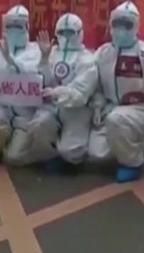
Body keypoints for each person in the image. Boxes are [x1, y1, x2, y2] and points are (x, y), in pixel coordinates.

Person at [87, 1, 144, 183]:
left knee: (116, 121)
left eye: (127, 25)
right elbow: (96, 86)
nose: (121, 30)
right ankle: (122, 143)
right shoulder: (103, 53)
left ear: (136, 27)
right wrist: (97, 107)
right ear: (110, 25)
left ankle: (132, 161)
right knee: (97, 153)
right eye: (117, 24)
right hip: (111, 108)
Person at [0, 5, 58, 165]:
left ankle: (43, 151)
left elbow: (44, 80)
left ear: (27, 26)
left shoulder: (38, 50)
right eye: (9, 26)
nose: (13, 30)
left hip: (25, 114)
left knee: (14, 158)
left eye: (18, 26)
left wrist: (43, 59)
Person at [38, 13, 99, 170]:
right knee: (38, 124)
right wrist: (44, 59)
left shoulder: (87, 59)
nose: (65, 37)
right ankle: (55, 149)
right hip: (52, 106)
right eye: (62, 32)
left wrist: (56, 92)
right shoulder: (51, 53)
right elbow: (43, 81)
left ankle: (74, 149)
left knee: (72, 152)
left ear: (80, 33)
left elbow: (80, 94)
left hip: (76, 110)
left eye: (70, 32)